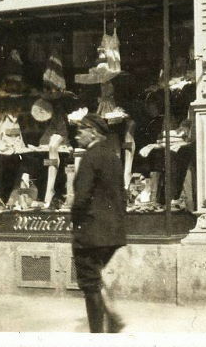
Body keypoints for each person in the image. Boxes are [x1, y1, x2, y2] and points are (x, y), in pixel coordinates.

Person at [71, 112, 127, 333]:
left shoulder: (90, 157)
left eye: (80, 131)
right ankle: (111, 319)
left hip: (91, 233)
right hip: (112, 233)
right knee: (96, 278)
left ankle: (97, 334)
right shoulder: (112, 155)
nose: (76, 136)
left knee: (89, 284)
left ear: (92, 132)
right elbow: (121, 196)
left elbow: (82, 197)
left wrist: (76, 221)